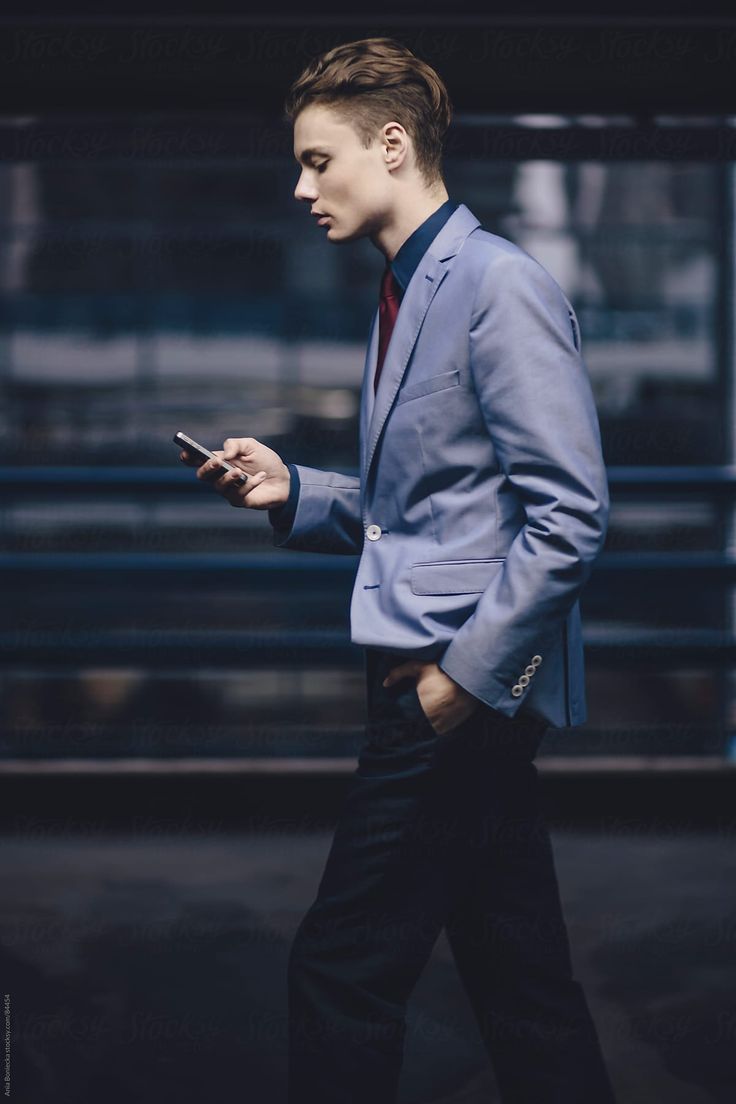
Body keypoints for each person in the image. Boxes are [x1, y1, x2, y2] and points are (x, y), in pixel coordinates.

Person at [179, 35, 617, 1104]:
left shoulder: (495, 286)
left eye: (317, 160)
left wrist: (459, 687)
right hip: (435, 690)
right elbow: (431, 510)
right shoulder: (410, 288)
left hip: (446, 690)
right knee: (521, 981)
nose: (299, 186)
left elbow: (568, 514)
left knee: (339, 972)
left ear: (390, 143)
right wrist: (299, 488)